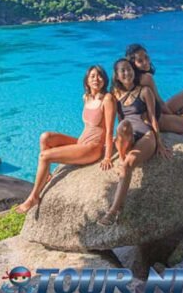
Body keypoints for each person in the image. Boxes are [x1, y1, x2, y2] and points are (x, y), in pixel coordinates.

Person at [16, 65, 117, 214]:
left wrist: (107, 156)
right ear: (87, 81)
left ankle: (34, 196)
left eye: (100, 76)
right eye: (93, 76)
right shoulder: (87, 97)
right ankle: (46, 175)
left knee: (45, 156)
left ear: (105, 79)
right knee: (46, 137)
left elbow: (109, 130)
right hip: (81, 143)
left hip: (93, 148)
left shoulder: (108, 99)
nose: (97, 79)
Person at [99, 58, 166, 226]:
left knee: (128, 165)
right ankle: (122, 156)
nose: (127, 73)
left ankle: (114, 211)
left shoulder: (144, 91)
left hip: (145, 135)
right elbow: (112, 121)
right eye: (123, 70)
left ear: (133, 71)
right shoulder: (114, 94)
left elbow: (152, 118)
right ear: (117, 75)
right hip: (127, 136)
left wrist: (160, 143)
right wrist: (108, 154)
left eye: (129, 69)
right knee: (124, 125)